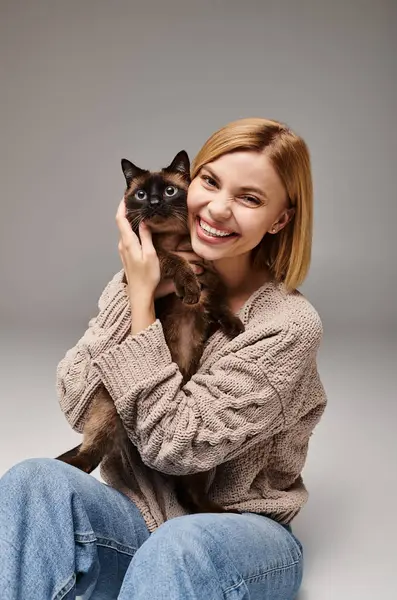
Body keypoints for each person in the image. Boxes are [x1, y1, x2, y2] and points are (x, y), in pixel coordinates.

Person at [0, 117, 327, 599]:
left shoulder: (286, 326)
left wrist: (141, 303)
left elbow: (174, 447)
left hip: (231, 536)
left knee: (177, 544)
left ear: (279, 220)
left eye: (250, 198)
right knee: (33, 480)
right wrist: (140, 289)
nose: (218, 208)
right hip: (134, 521)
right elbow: (78, 405)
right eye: (210, 183)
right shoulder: (145, 276)